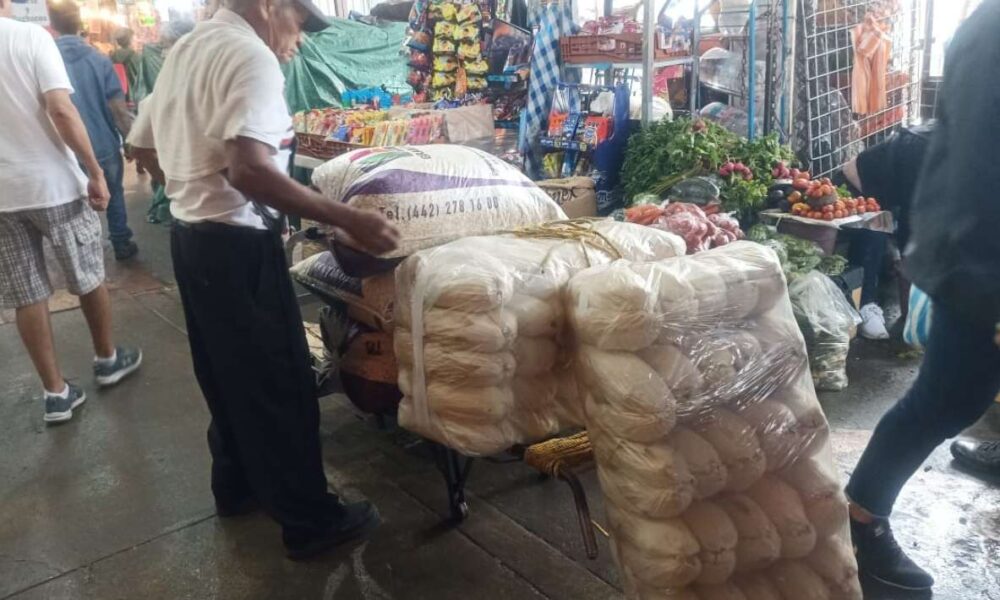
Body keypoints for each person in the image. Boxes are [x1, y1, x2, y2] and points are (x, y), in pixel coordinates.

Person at [127, 0, 400, 559]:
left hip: (193, 241)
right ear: (271, 6)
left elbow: (142, 144)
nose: (298, 41)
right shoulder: (249, 56)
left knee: (228, 377)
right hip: (235, 247)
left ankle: (236, 487)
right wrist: (346, 217)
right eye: (299, 24)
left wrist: (185, 188)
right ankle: (310, 520)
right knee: (279, 384)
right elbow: (249, 169)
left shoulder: (188, 48)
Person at [845, 0, 1000, 591]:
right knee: (945, 400)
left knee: (948, 398)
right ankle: (861, 520)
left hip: (972, 251)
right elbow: (980, 161)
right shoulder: (991, 31)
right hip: (980, 256)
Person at [0, 0, 142, 424]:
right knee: (86, 273)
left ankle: (56, 392)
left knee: (27, 294)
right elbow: (61, 109)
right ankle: (106, 358)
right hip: (54, 185)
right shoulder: (28, 38)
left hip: (2, 197)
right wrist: (95, 171)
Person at [49, 1, 138, 261]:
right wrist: (129, 139)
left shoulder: (46, 59)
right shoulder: (99, 60)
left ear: (52, 24)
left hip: (65, 146)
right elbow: (118, 109)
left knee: (74, 203)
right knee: (114, 192)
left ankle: (82, 250)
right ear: (80, 24)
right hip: (104, 144)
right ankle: (121, 241)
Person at [837, 124, 932, 339]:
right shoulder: (927, 152)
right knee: (877, 225)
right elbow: (912, 215)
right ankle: (866, 306)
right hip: (856, 184)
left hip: (890, 192)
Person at [109, 28, 140, 104]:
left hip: (118, 97)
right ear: (130, 41)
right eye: (134, 38)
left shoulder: (111, 57)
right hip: (134, 97)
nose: (136, 40)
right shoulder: (135, 57)